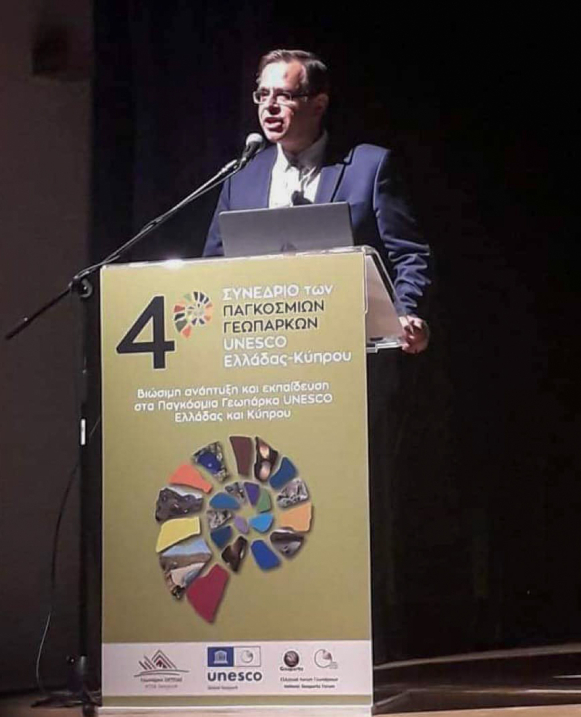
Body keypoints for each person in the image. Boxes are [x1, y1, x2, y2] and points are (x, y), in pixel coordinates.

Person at [203, 48, 431, 354]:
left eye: (284, 95)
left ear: (318, 104)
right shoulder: (241, 177)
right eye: (263, 94)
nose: (269, 106)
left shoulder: (369, 167)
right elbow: (212, 267)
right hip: (262, 353)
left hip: (351, 349)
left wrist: (404, 313)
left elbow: (409, 254)